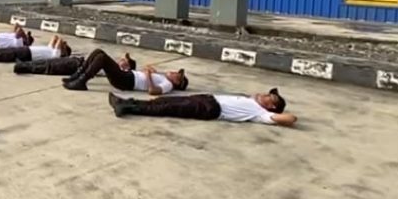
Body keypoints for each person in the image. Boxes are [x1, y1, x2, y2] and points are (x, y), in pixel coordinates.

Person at [108, 88, 297, 127]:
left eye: (269, 97)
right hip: (206, 99)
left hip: (210, 108)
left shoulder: (260, 113)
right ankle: (127, 102)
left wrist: (276, 114)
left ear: (271, 106)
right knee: (164, 101)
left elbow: (289, 119)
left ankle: (127, 107)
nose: (264, 94)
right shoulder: (252, 101)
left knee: (167, 107)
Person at [62, 49, 186, 94]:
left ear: (177, 82)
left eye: (177, 75)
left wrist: (148, 75)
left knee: (102, 58)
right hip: (128, 76)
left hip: (127, 81)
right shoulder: (163, 78)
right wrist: (150, 71)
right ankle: (77, 76)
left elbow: (152, 91)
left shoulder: (168, 85)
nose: (174, 72)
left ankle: (82, 81)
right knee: (98, 52)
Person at [0, 35, 72, 64]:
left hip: (26, 54)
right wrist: (63, 44)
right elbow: (55, 37)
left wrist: (63, 45)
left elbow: (59, 41)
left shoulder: (56, 55)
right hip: (25, 50)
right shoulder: (51, 49)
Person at [13, 56, 85, 76]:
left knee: (37, 67)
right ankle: (23, 64)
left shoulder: (78, 66)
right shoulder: (76, 61)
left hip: (53, 67)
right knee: (37, 63)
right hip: (53, 63)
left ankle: (21, 67)